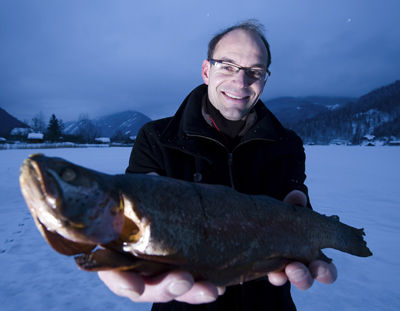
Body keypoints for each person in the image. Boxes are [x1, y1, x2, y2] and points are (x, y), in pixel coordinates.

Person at [98, 20, 337, 310]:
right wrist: (117, 250)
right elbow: (129, 210)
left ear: (264, 80)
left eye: (255, 72)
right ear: (206, 71)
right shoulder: (157, 139)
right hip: (184, 300)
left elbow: (292, 209)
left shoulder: (287, 144)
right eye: (227, 65)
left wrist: (301, 215)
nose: (241, 81)